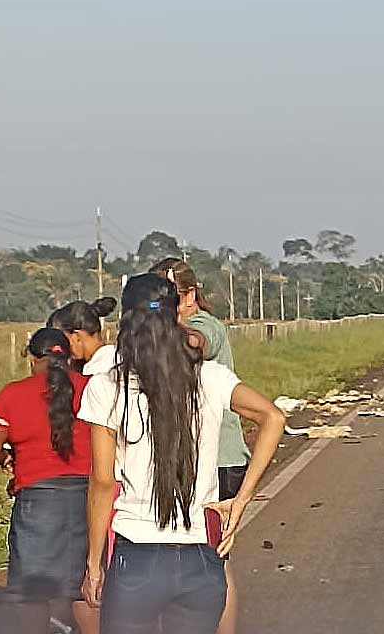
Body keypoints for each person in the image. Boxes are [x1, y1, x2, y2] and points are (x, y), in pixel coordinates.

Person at [78, 274, 286, 633]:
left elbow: (101, 482)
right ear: (178, 317)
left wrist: (94, 564)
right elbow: (273, 416)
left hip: (136, 557)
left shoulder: (106, 385)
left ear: (125, 321)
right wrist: (241, 500)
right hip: (200, 561)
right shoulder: (210, 377)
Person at [150, 258, 249, 634]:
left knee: (214, 563)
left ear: (189, 295)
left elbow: (196, 344)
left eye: (168, 296)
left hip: (218, 462)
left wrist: (159, 320)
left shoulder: (204, 325)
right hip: (189, 460)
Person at [0, 329, 99, 633]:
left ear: (32, 358)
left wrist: (8, 460)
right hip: (89, 498)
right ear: (69, 356)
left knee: (31, 593)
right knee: (84, 587)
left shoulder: (12, 394)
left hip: (37, 502)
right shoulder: (91, 388)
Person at [47, 297, 119, 375]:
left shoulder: (95, 371)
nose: (63, 350)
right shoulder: (120, 358)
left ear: (77, 337)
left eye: (63, 342)